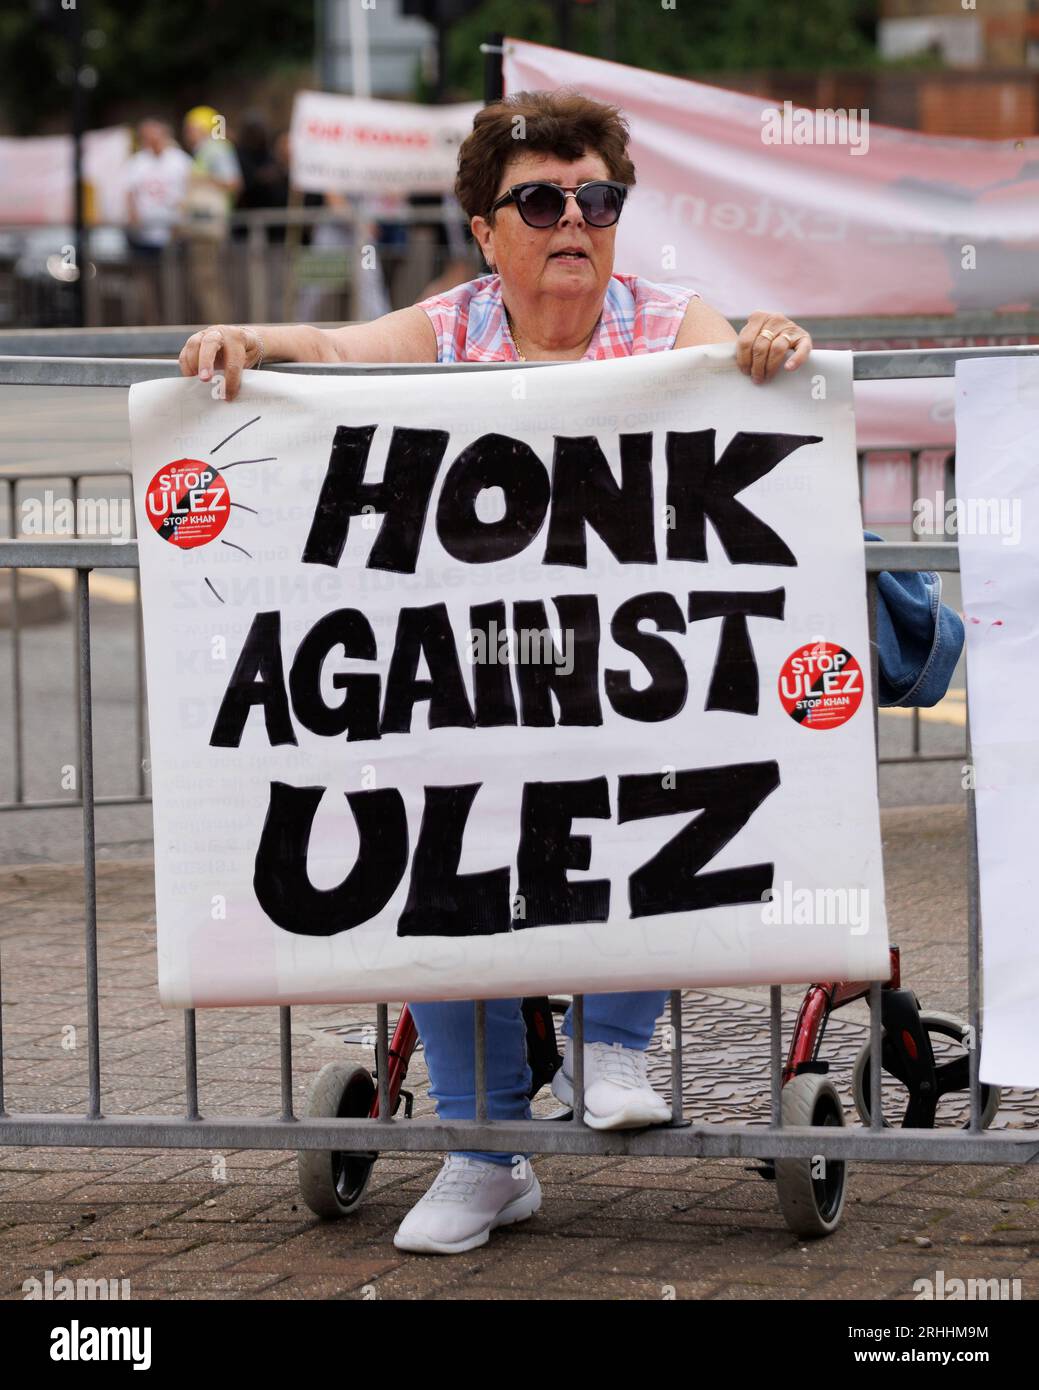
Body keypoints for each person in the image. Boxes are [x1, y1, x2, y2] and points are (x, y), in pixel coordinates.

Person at [178, 88, 964, 1256]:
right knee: (430, 843)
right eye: (538, 200)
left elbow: (757, 377)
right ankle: (483, 1152)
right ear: (486, 230)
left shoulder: (660, 319)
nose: (572, 221)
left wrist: (767, 346)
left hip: (635, 698)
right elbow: (343, 350)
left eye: (596, 198)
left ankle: (613, 1044)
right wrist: (261, 345)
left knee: (639, 783)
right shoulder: (455, 327)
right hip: (479, 694)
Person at [123, 119, 191, 324]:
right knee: (147, 284)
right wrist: (133, 216)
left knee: (174, 282)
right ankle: (153, 322)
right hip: (145, 235)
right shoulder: (136, 162)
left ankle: (178, 322)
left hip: (173, 232)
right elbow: (129, 193)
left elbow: (190, 192)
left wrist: (181, 219)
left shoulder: (180, 160)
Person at [179, 105, 243, 323]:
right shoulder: (209, 150)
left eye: (191, 128)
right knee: (207, 282)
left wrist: (203, 180)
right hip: (205, 226)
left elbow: (232, 182)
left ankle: (219, 331)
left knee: (208, 282)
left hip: (209, 226)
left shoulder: (214, 149)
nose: (187, 133)